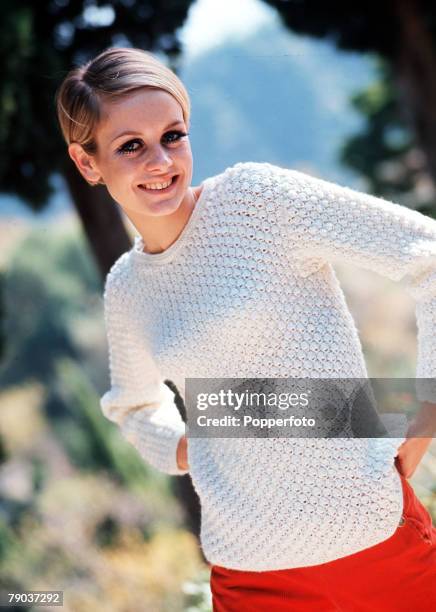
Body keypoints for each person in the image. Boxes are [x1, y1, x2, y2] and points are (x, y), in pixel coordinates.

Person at [56, 46, 436, 611]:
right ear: (88, 163)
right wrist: (193, 444)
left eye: (173, 135)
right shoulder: (129, 286)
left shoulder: (258, 200)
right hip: (249, 572)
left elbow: (426, 255)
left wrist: (427, 415)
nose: (161, 161)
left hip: (370, 538)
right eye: (130, 146)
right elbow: (134, 407)